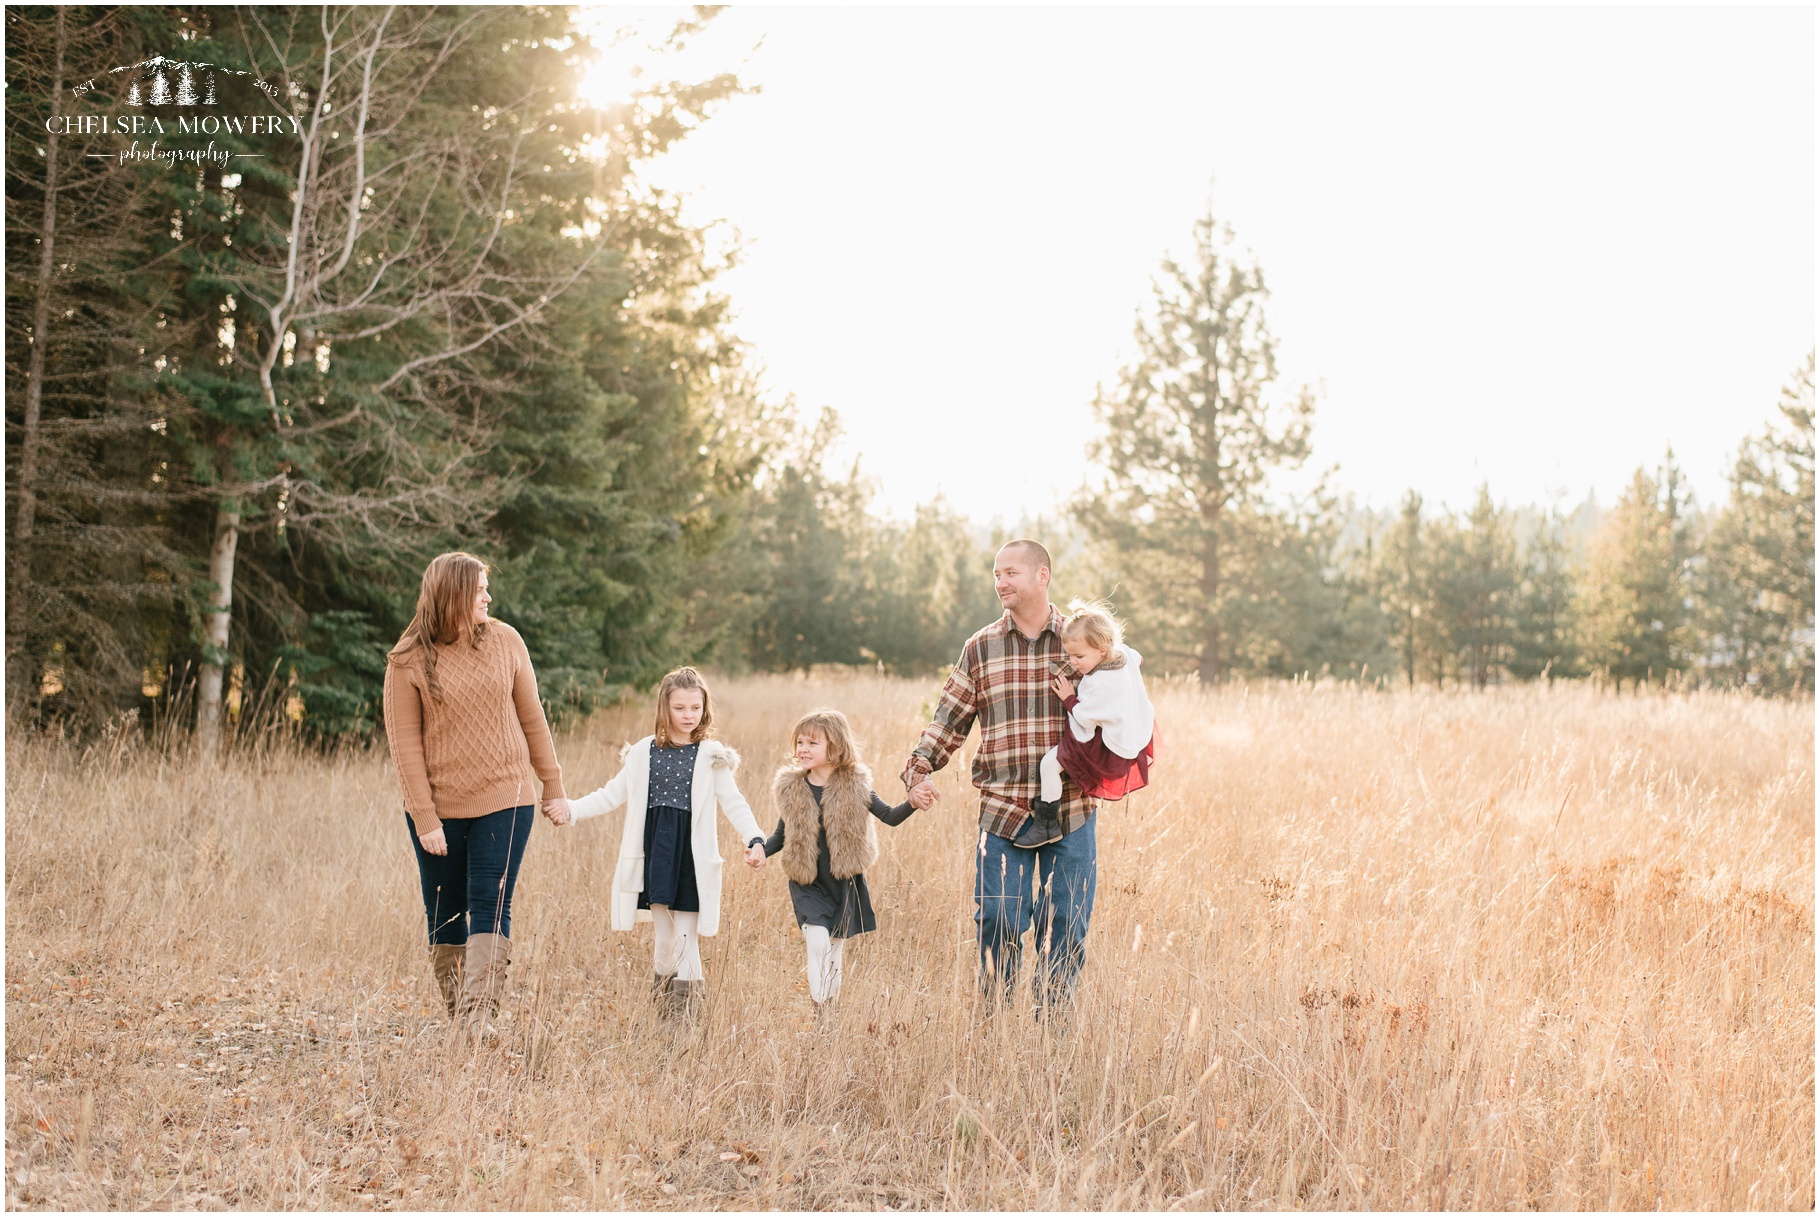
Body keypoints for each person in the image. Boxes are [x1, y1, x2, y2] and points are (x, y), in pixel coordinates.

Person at [901, 539, 1098, 1013]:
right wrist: (918, 770)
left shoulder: (1081, 642)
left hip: (1071, 810)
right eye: (996, 575)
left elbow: (1121, 702)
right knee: (998, 918)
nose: (1001, 582)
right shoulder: (981, 646)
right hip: (1003, 810)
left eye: (1010, 572)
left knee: (1065, 924)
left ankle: (1052, 1035)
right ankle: (994, 1028)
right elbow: (948, 718)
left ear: (1042, 576)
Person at [382, 552, 571, 1041]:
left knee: (492, 899)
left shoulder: (507, 641)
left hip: (507, 796)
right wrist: (424, 817)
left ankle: (479, 1017)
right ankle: (459, 1016)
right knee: (445, 907)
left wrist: (552, 785)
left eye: (488, 587)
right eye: (480, 589)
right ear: (452, 595)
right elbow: (404, 745)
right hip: (440, 807)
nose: (489, 596)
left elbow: (533, 718)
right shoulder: (407, 660)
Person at [560, 667, 768, 1019]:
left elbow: (734, 802)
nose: (688, 716)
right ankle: (664, 1015)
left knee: (687, 936)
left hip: (691, 858)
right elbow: (611, 795)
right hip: (657, 855)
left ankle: (686, 1021)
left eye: (695, 708)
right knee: (664, 937)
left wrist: (755, 839)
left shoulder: (710, 755)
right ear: (664, 708)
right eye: (680, 708)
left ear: (705, 709)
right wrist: (571, 810)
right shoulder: (643, 753)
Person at [762, 710, 936, 1012]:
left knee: (833, 949)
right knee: (817, 942)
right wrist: (759, 851)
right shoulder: (792, 788)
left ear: (837, 748)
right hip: (807, 880)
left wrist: (912, 802)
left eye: (813, 743)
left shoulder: (856, 785)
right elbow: (781, 834)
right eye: (800, 742)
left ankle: (830, 1012)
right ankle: (819, 1013)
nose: (803, 748)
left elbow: (889, 817)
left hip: (843, 881)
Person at [1026, 599, 1157, 845]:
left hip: (1107, 751)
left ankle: (1046, 825)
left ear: (1102, 652)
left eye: (1079, 656)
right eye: (1070, 655)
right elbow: (1137, 658)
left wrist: (1068, 698)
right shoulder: (1124, 654)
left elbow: (1084, 717)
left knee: (1049, 765)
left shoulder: (1100, 683)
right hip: (1133, 733)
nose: (1073, 662)